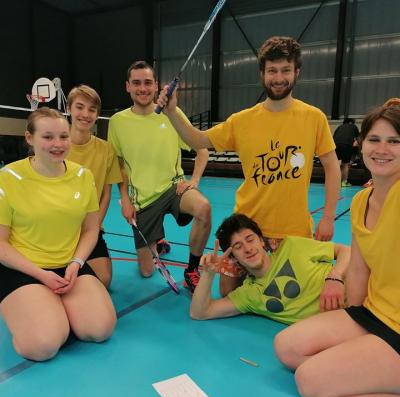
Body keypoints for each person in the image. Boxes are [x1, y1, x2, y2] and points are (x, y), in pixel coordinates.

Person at [158, 36, 341, 295]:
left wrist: (328, 217)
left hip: (293, 232)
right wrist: (172, 112)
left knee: (290, 297)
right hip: (246, 229)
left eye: (286, 70)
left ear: (296, 72)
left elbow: (332, 166)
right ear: (262, 74)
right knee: (227, 293)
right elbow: (197, 140)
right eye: (272, 71)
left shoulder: (314, 118)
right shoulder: (242, 121)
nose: (279, 78)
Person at [274, 104, 400, 397]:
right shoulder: (360, 201)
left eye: (394, 141)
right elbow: (358, 268)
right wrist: (352, 316)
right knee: (287, 347)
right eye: (374, 139)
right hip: (375, 311)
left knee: (310, 381)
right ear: (360, 144)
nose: (382, 149)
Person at [0, 108, 116, 362]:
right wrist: (41, 275)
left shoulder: (82, 176)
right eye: (48, 137)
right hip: (24, 268)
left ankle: (52, 309)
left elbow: (91, 229)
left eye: (63, 136)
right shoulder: (8, 178)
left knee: (100, 329)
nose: (58, 144)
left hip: (69, 267)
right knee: (43, 345)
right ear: (29, 138)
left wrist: (76, 263)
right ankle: (32, 310)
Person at [108, 61, 211, 293]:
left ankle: (191, 270)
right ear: (127, 86)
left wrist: (194, 181)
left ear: (156, 86)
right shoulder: (117, 122)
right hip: (143, 200)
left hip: (174, 188)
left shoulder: (171, 114)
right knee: (146, 271)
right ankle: (158, 242)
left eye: (147, 83)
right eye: (136, 83)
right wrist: (125, 199)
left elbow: (202, 150)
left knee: (203, 208)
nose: (142, 88)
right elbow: (119, 164)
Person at [190, 214, 349, 324]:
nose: (248, 249)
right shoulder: (249, 294)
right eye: (238, 247)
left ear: (261, 240)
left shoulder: (291, 246)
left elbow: (346, 251)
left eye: (250, 239)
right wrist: (208, 274)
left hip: (357, 290)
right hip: (342, 322)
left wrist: (335, 277)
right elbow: (199, 313)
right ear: (233, 258)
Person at [67, 84, 122, 288]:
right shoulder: (57, 147)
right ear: (69, 109)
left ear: (97, 115)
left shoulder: (106, 150)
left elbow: (106, 193)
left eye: (92, 109)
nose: (85, 114)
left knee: (103, 280)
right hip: (58, 228)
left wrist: (95, 226)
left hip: (89, 227)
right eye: (79, 107)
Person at [333, 117, 360, 187]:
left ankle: (335, 181)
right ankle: (344, 182)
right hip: (346, 145)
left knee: (337, 164)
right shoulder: (353, 126)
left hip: (335, 145)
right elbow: (358, 139)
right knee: (345, 164)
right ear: (351, 122)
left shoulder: (339, 127)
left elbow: (333, 137)